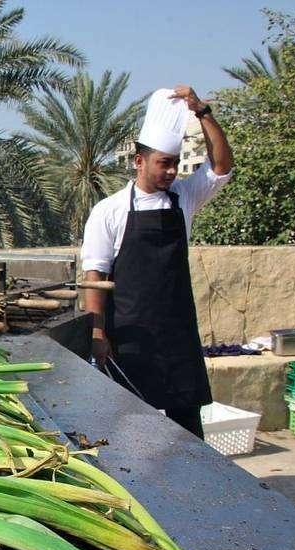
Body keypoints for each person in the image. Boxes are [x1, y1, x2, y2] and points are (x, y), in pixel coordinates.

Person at [81, 85, 234, 438]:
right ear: (139, 161)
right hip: (129, 339)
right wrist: (98, 332)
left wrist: (202, 112)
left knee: (189, 430)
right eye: (163, 163)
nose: (171, 172)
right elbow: (95, 274)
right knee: (130, 430)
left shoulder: (184, 197)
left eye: (175, 164)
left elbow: (222, 165)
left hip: (178, 335)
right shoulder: (110, 210)